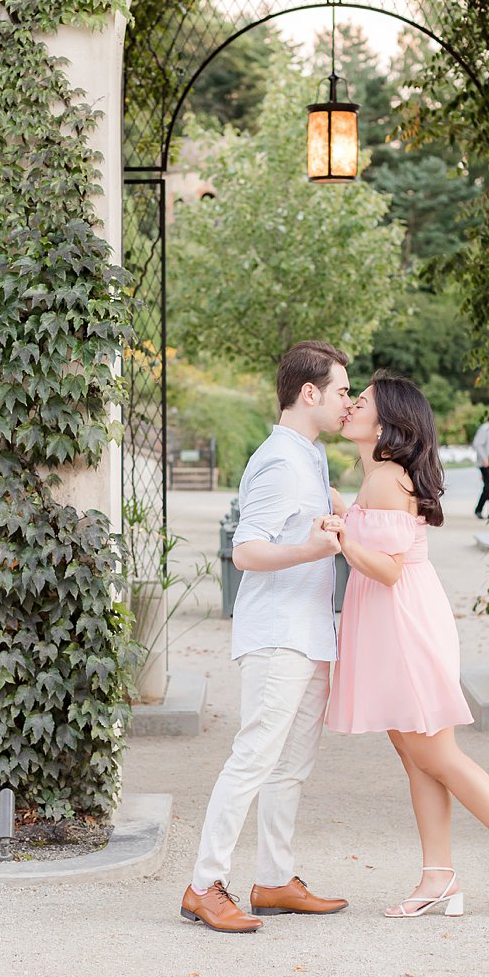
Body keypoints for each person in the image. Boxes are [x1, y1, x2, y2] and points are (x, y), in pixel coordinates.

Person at [325, 372, 489, 919]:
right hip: (394, 622)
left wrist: (341, 537)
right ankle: (439, 877)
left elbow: (385, 569)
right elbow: (377, 537)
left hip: (402, 622)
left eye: (359, 402)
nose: (350, 407)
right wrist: (342, 512)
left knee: (435, 753)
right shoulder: (379, 475)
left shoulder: (387, 477)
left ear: (386, 423)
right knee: (417, 758)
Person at [180, 341, 353, 933]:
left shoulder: (310, 456)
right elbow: (245, 550)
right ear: (310, 394)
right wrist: (313, 548)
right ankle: (204, 885)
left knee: (292, 766)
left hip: (308, 634)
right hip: (278, 634)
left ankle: (274, 880)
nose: (348, 403)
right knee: (253, 758)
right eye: (341, 392)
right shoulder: (280, 460)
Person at [472, 413, 489, 520]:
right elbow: (477, 444)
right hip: (486, 464)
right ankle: (479, 510)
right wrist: (484, 459)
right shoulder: (486, 428)